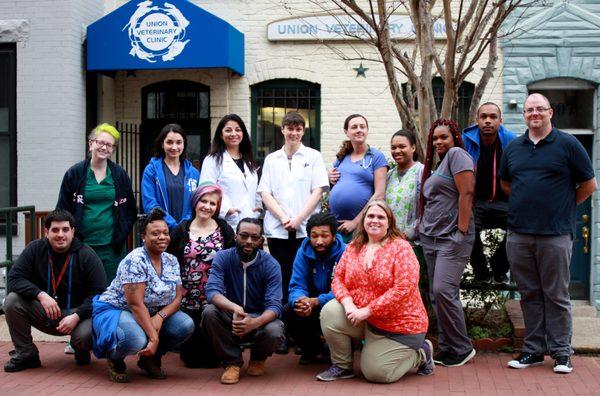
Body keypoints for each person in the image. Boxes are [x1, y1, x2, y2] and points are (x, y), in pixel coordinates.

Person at [500, 93, 597, 374]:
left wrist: (564, 206)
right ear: (525, 115)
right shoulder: (514, 148)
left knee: (556, 295)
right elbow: (507, 184)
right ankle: (532, 350)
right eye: (529, 110)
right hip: (519, 234)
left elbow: (589, 185)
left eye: (540, 109)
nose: (534, 114)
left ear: (550, 113)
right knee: (529, 294)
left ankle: (562, 353)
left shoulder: (568, 144)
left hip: (555, 234)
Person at [316, 200, 432, 383]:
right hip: (366, 320)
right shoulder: (354, 246)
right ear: (363, 220)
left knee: (377, 374)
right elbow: (337, 279)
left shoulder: (401, 248)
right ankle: (342, 366)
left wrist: (367, 311)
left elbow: (404, 289)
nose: (375, 220)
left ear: (389, 222)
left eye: (381, 217)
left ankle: (421, 353)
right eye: (370, 216)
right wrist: (348, 304)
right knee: (330, 311)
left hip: (400, 328)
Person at [91, 208, 194, 383]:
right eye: (155, 233)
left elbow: (177, 298)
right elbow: (135, 305)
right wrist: (153, 337)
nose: (162, 237)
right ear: (143, 237)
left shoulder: (171, 260)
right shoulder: (135, 260)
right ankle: (115, 358)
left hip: (152, 312)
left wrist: (160, 317)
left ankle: (148, 360)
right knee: (134, 338)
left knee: (185, 324)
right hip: (119, 309)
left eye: (165, 233)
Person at [257, 111, 329, 352]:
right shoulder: (272, 159)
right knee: (281, 279)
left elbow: (318, 191)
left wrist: (298, 219)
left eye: (298, 129)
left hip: (304, 231)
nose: (294, 132)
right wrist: (284, 217)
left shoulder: (313, 156)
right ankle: (283, 333)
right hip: (277, 230)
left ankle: (302, 336)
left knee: (303, 282)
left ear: (303, 131)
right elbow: (265, 193)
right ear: (283, 130)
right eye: (290, 128)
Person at [4, 209, 106, 372]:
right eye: (55, 230)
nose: (60, 235)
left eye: (65, 229)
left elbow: (100, 294)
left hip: (77, 315)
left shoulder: (87, 255)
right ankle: (26, 354)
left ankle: (81, 350)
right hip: (46, 311)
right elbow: (14, 278)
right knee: (12, 301)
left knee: (83, 337)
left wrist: (77, 316)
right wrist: (40, 295)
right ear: (46, 232)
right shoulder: (35, 249)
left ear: (73, 231)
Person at [418, 119, 476, 367]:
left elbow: (467, 193)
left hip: (451, 238)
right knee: (435, 294)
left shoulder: (457, 155)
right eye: (435, 138)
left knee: (443, 290)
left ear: (453, 138)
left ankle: (462, 348)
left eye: (444, 137)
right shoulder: (438, 165)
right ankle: (448, 347)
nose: (439, 142)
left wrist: (461, 231)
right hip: (431, 237)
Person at [201, 218, 284, 385]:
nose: (249, 241)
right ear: (235, 236)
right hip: (231, 316)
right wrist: (235, 308)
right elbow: (212, 291)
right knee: (209, 312)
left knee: (275, 328)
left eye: (254, 237)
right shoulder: (223, 257)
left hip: (258, 319)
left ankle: (258, 359)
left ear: (261, 240)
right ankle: (231, 363)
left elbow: (275, 305)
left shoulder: (271, 265)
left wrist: (254, 322)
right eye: (244, 236)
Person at [56, 123, 136, 282]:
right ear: (91, 143)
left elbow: (130, 210)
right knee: (83, 287)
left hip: (112, 248)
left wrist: (121, 234)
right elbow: (62, 209)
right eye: (101, 142)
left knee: (111, 288)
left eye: (109, 145)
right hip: (81, 245)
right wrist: (70, 237)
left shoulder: (119, 174)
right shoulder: (75, 173)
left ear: (112, 149)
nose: (104, 148)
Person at [167, 182, 235, 368]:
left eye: (212, 203)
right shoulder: (181, 229)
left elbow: (233, 262)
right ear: (195, 202)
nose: (207, 206)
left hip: (216, 296)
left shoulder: (224, 229)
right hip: (188, 297)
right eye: (203, 201)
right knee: (191, 358)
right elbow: (169, 261)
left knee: (214, 357)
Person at [462, 103, 516, 284]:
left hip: (504, 202)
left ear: (501, 120)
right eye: (483, 116)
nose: (488, 121)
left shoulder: (511, 141)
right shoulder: (466, 141)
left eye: (493, 117)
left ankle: (500, 270)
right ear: (477, 120)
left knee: (520, 227)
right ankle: (482, 273)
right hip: (476, 203)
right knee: (465, 231)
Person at [287, 212, 346, 365]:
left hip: (336, 304)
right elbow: (297, 284)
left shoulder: (346, 253)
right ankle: (312, 347)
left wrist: (318, 301)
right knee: (289, 310)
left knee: (340, 309)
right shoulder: (303, 252)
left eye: (324, 236)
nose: (319, 241)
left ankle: (341, 348)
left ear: (334, 236)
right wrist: (300, 300)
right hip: (310, 304)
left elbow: (349, 289)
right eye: (314, 236)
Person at [328, 114, 387, 241]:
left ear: (367, 130)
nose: (359, 130)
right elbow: (331, 182)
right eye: (354, 127)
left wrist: (355, 222)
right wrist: (329, 177)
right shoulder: (342, 157)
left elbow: (379, 194)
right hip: (336, 226)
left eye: (362, 127)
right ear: (346, 132)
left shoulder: (376, 156)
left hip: (359, 227)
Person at [200, 114, 262, 230]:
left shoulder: (248, 160)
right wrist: (227, 210)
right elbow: (206, 190)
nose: (233, 134)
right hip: (225, 223)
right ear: (221, 134)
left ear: (243, 133)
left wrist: (258, 208)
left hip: (249, 222)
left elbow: (255, 189)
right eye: (228, 130)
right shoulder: (212, 160)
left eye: (238, 130)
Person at [141, 123, 200, 230]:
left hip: (187, 231)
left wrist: (183, 225)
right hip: (161, 231)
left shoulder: (194, 173)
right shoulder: (151, 171)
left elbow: (196, 203)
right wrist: (172, 225)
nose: (174, 147)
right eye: (169, 142)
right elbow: (150, 203)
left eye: (179, 142)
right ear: (162, 144)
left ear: (184, 144)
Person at [385, 129, 424, 242]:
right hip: (389, 241)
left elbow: (429, 209)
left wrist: (409, 234)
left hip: (414, 242)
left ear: (413, 147)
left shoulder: (422, 172)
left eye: (402, 146)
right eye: (393, 147)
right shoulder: (389, 175)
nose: (397, 151)